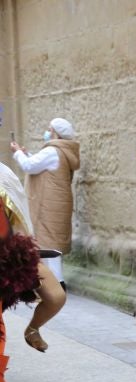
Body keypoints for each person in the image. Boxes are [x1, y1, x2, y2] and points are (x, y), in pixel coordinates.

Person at [0, 161, 66, 366]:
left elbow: (19, 222)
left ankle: (32, 329)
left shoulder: (4, 174)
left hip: (11, 255)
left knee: (56, 296)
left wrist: (23, 251)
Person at [10, 116, 81, 285]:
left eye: (50, 130)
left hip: (49, 205)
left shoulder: (52, 151)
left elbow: (29, 166)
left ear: (56, 134)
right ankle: (52, 282)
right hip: (57, 203)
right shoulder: (62, 151)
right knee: (52, 243)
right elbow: (44, 166)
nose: (47, 133)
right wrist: (27, 154)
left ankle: (57, 284)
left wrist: (18, 153)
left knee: (49, 243)